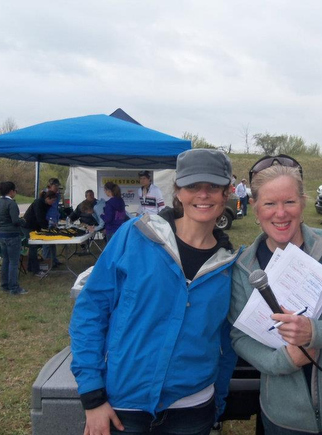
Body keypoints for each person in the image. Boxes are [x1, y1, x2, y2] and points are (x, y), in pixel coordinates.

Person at [69, 148, 240, 435]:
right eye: (193, 186)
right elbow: (91, 309)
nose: (203, 194)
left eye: (213, 187)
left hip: (193, 409)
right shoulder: (135, 235)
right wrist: (92, 395)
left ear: (226, 193)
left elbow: (228, 342)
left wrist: (217, 403)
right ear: (179, 191)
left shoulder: (229, 266)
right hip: (123, 405)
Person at [228, 156, 322, 434]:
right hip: (283, 419)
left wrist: (315, 332)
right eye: (269, 204)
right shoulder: (244, 267)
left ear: (302, 202)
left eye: (289, 202)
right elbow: (240, 338)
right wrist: (284, 361)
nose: (281, 213)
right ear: (254, 207)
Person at [0, 181, 28, 295]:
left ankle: (4, 285)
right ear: (11, 191)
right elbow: (15, 221)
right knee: (14, 262)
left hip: (2, 234)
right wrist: (23, 221)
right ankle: (14, 287)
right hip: (12, 235)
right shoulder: (11, 203)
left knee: (6, 261)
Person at [23, 191, 58, 277]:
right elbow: (40, 218)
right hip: (28, 226)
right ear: (47, 198)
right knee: (33, 246)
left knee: (34, 247)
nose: (53, 203)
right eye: (52, 200)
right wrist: (46, 229)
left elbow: (43, 218)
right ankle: (35, 270)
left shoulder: (46, 205)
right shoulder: (38, 203)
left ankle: (31, 267)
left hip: (36, 227)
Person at [42, 178, 62, 267]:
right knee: (46, 243)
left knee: (53, 242)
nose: (57, 188)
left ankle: (54, 260)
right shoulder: (44, 194)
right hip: (48, 220)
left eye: (58, 186)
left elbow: (56, 208)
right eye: (55, 186)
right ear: (50, 186)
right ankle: (47, 261)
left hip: (54, 219)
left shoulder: (57, 195)